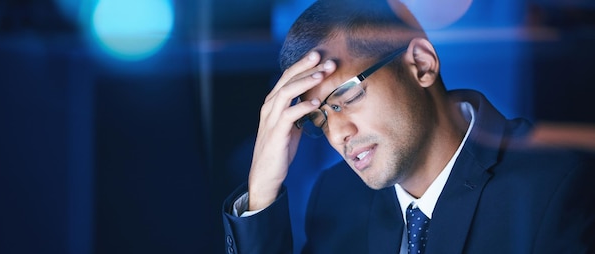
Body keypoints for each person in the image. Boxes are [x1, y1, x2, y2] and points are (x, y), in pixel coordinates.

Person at [221, 0, 595, 253]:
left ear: (421, 63)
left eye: (348, 98)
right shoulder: (336, 197)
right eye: (320, 118)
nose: (337, 135)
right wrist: (262, 195)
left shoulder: (554, 187)